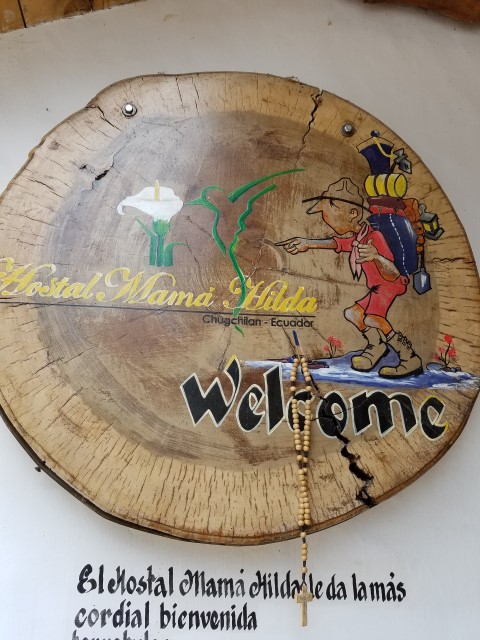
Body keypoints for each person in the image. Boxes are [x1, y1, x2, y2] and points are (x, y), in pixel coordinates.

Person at [276, 178, 423, 378]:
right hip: (377, 287)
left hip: (390, 284)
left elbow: (394, 273)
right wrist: (307, 243)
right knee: (352, 314)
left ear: (353, 213)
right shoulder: (359, 238)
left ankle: (409, 357)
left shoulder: (375, 238)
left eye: (332, 218)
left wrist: (376, 256)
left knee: (373, 318)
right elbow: (337, 243)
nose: (330, 224)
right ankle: (377, 346)